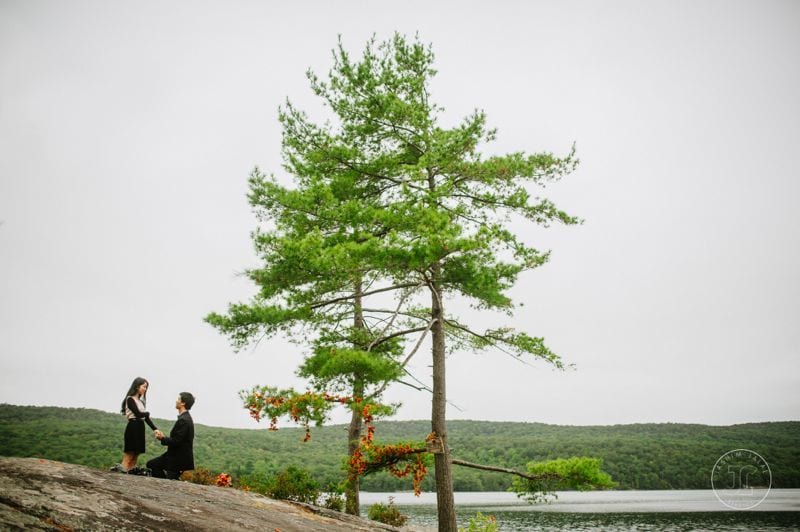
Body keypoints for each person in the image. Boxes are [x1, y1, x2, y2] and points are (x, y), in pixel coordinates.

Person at [112, 377, 160, 473]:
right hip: (133, 426)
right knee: (129, 453)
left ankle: (131, 474)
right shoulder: (130, 399)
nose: (145, 389)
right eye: (144, 386)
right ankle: (121, 474)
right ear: (137, 386)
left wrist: (155, 429)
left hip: (140, 427)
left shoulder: (141, 402)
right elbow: (138, 414)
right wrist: (147, 413)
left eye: (146, 387)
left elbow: (145, 418)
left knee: (136, 454)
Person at [147, 392, 195, 479]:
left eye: (178, 399)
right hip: (174, 456)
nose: (176, 401)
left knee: (153, 466)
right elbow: (178, 439)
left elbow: (176, 441)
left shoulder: (183, 420)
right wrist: (163, 437)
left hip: (178, 459)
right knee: (152, 464)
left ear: (183, 403)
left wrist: (162, 438)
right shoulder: (185, 418)